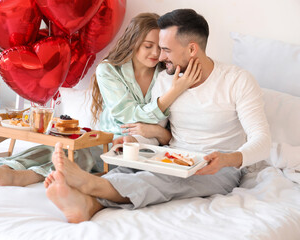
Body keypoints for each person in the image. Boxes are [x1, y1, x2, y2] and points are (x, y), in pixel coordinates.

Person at [44, 9, 271, 223]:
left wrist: (227, 159)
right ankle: (87, 205)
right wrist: (135, 141)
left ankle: (90, 185)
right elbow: (154, 130)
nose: (160, 57)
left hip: (217, 168)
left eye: (166, 50)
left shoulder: (237, 81)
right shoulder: (165, 81)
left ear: (192, 49)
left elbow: (262, 141)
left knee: (167, 181)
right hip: (171, 157)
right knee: (129, 169)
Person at [0, 12, 199, 187]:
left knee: (82, 156)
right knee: (54, 147)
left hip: (126, 148)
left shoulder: (166, 76)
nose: (156, 54)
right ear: (133, 42)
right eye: (148, 46)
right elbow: (125, 114)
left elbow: (164, 132)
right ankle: (4, 166)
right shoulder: (110, 71)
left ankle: (19, 176)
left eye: (160, 48)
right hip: (104, 137)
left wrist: (156, 124)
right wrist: (167, 101)